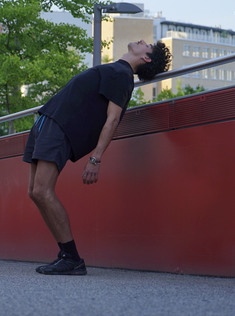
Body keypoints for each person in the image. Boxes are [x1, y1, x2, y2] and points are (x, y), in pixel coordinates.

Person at [23, 40, 171, 275]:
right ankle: (65, 255)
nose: (144, 41)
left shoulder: (122, 75)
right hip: (47, 123)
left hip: (60, 129)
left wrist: (96, 158)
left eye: (149, 45)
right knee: (34, 192)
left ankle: (72, 258)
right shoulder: (114, 69)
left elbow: (112, 119)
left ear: (146, 58)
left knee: (42, 190)